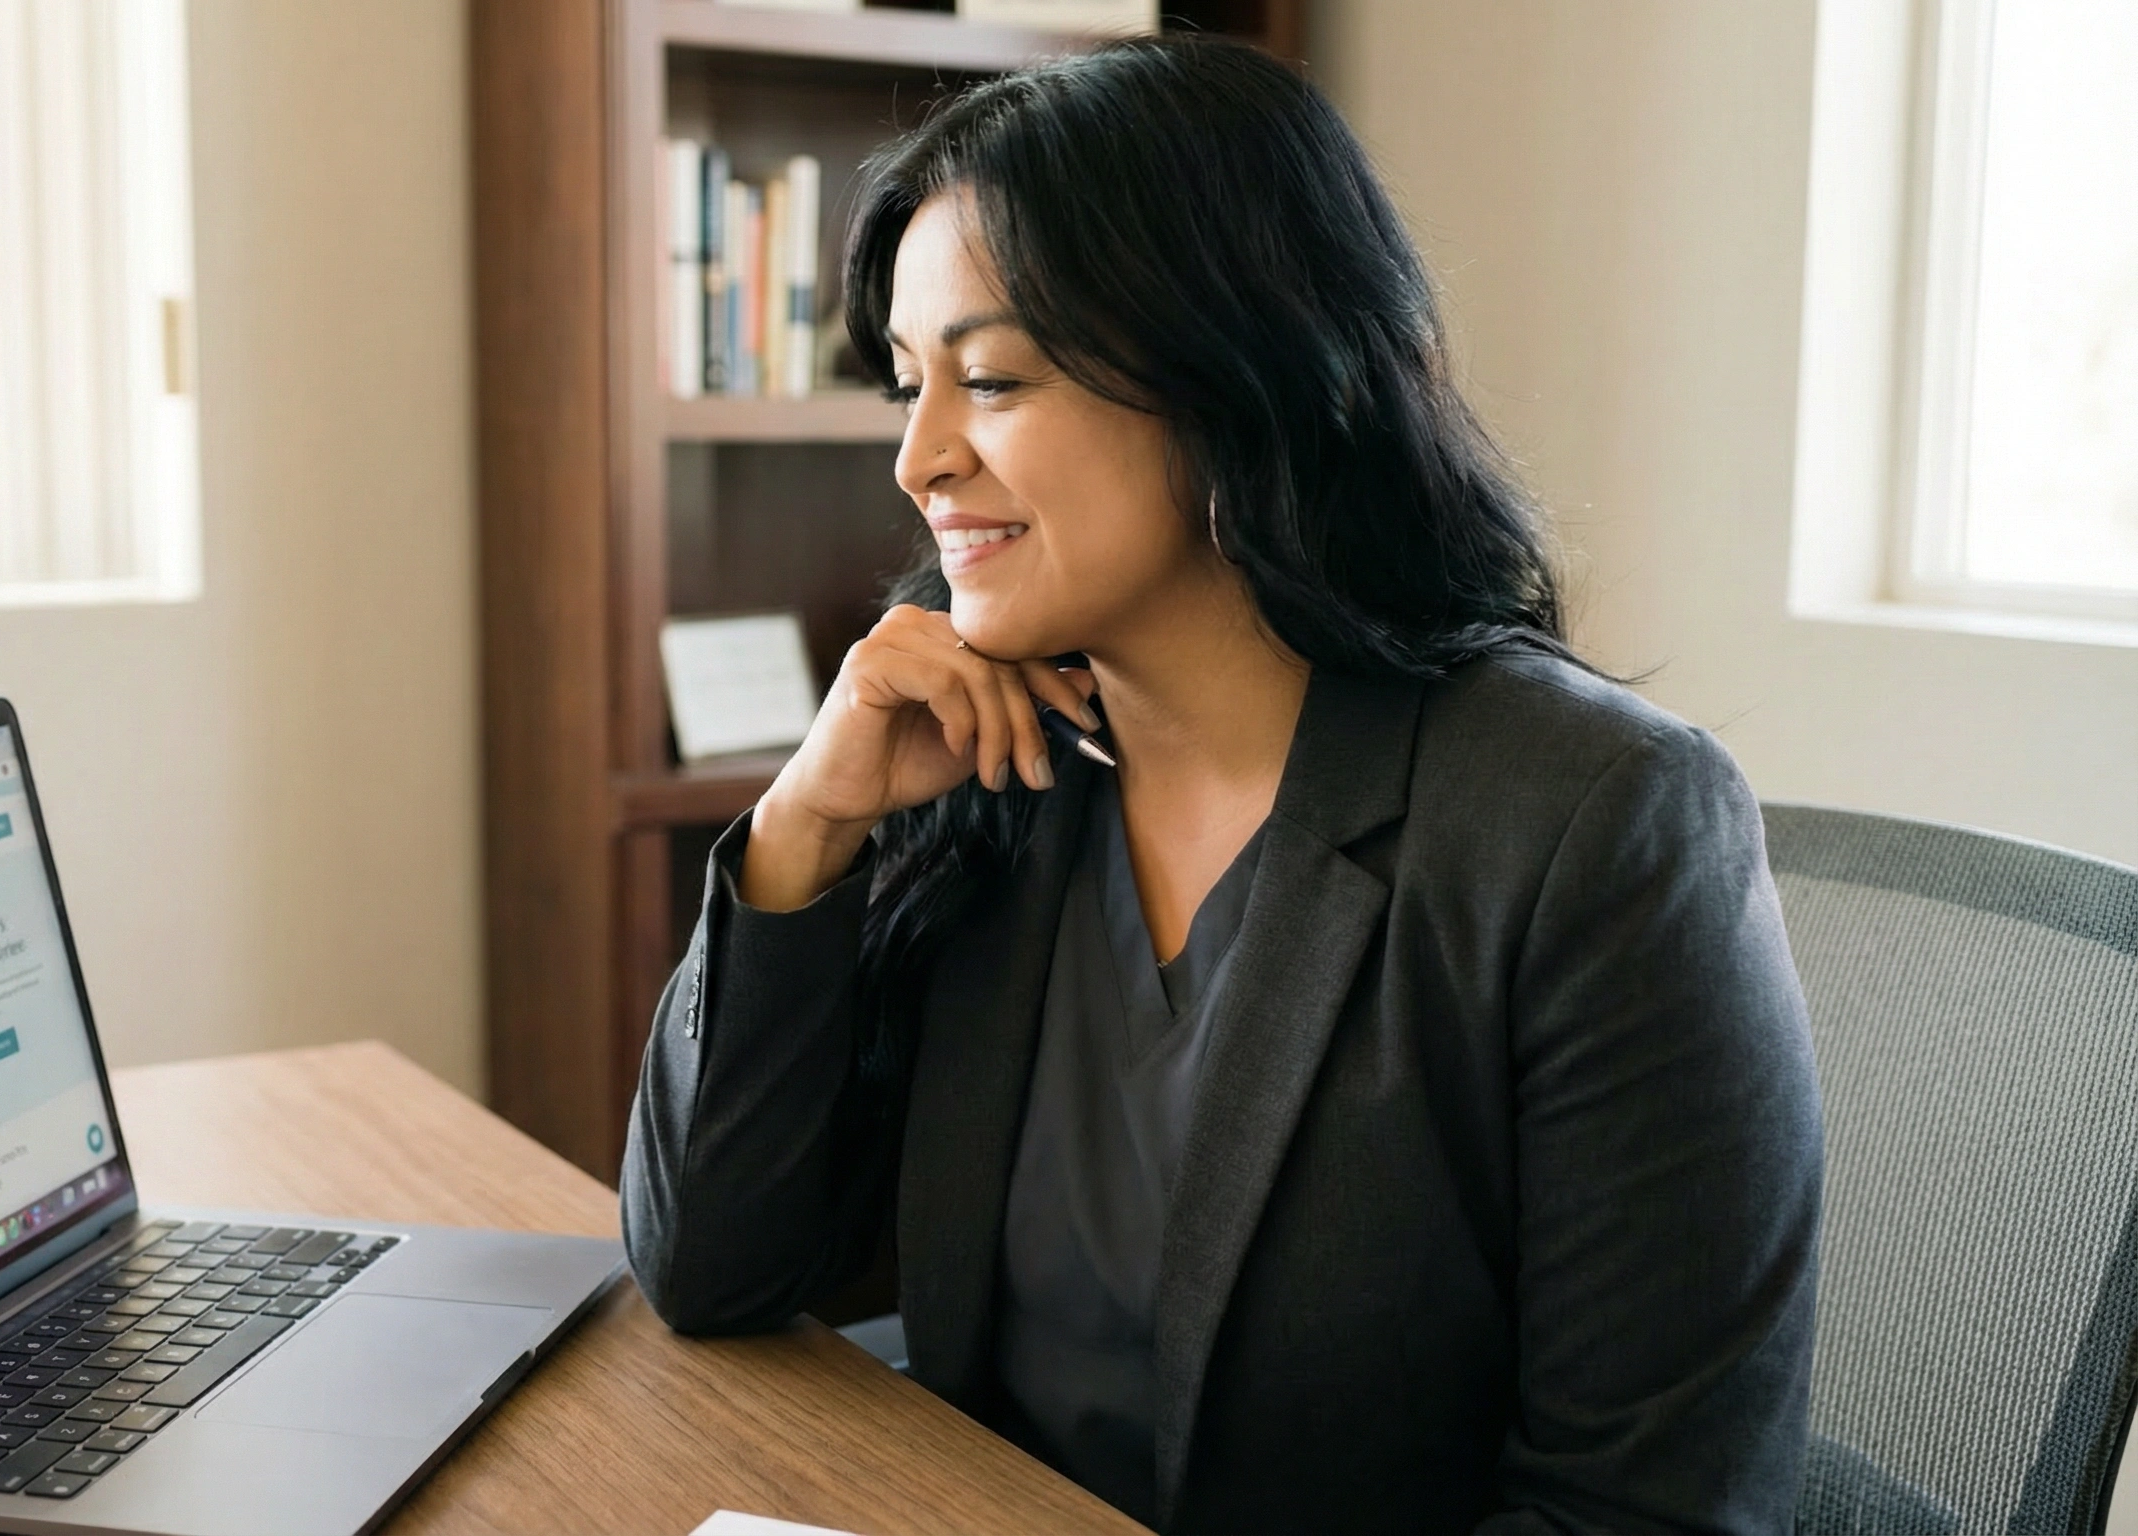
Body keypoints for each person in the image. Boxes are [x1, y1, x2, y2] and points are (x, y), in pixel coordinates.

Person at [621, 36, 1823, 1535]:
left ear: (1238, 373)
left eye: (991, 378)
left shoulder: (1599, 824)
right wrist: (808, 824)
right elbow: (713, 1265)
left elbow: (1649, 1511)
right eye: (907, 388)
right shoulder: (1000, 774)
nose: (919, 458)